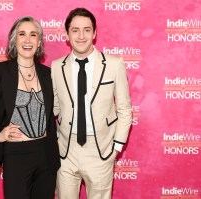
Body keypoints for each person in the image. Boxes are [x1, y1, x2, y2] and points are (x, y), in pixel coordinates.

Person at [0, 16, 60, 199]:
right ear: (13, 40)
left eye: (33, 35)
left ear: (39, 42)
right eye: (21, 34)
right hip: (16, 155)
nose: (27, 40)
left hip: (46, 154)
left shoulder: (48, 74)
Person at [51, 8, 132, 199]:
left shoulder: (114, 64)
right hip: (66, 151)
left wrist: (117, 147)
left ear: (94, 33)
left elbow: (124, 109)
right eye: (75, 30)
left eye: (87, 30)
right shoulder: (56, 67)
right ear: (67, 35)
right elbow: (53, 107)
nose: (81, 36)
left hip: (101, 150)